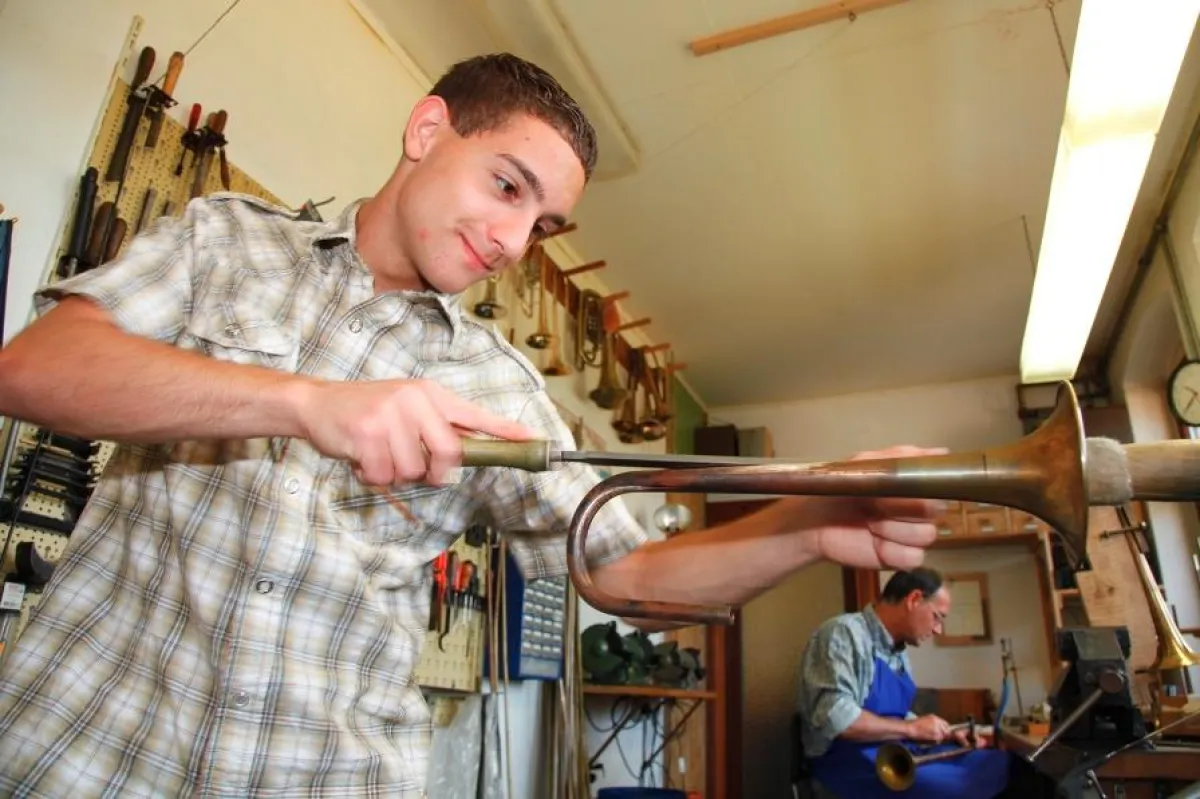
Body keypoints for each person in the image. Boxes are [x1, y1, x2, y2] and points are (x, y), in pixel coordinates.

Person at [0, 53, 946, 797]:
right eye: (507, 186)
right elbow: (34, 369)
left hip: (328, 776)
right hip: (76, 750)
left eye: (541, 223)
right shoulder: (225, 240)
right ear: (426, 130)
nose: (511, 240)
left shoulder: (497, 385)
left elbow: (624, 569)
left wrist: (809, 528)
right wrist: (303, 402)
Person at [795, 568, 1014, 798]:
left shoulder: (898, 651)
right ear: (914, 599)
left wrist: (945, 732)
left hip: (893, 750)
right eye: (937, 617)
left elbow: (894, 716)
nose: (938, 629)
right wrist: (911, 728)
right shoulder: (843, 633)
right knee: (960, 787)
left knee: (997, 761)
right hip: (846, 763)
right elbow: (838, 719)